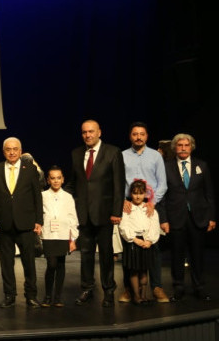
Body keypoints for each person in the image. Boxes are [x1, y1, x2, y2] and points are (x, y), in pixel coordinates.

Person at [68, 120, 125, 307]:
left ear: (99, 132)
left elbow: (118, 185)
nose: (88, 135)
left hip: (105, 214)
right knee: (86, 254)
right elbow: (74, 183)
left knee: (106, 254)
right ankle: (87, 288)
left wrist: (116, 212)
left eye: (91, 131)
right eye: (84, 132)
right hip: (83, 213)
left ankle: (108, 291)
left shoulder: (113, 152)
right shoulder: (76, 153)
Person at [159, 133, 216, 302]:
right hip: (175, 217)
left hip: (198, 217)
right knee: (177, 255)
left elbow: (209, 194)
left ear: (191, 147)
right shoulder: (166, 167)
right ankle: (178, 287)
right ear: (174, 148)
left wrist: (212, 217)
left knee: (197, 255)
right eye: (180, 145)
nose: (183, 148)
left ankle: (199, 287)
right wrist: (163, 219)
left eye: (186, 145)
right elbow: (162, 196)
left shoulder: (202, 165)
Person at [0, 137, 44, 308]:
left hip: (26, 223)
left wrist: (39, 220)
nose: (12, 152)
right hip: (4, 223)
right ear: (3, 151)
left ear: (20, 151)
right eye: (8, 149)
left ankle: (31, 295)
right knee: (6, 262)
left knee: (29, 261)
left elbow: (37, 196)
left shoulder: (30, 169)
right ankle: (9, 295)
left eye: (15, 149)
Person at [118, 122, 169, 303]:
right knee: (129, 249)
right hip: (128, 204)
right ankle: (128, 290)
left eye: (142, 134)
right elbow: (117, 181)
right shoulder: (122, 156)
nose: (138, 137)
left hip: (151, 204)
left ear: (147, 136)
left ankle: (156, 287)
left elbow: (162, 183)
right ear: (130, 136)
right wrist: (122, 200)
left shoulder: (155, 156)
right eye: (135, 134)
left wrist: (152, 203)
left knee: (153, 247)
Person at [40, 165, 78, 308]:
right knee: (51, 264)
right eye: (53, 178)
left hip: (63, 234)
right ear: (48, 180)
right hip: (48, 234)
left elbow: (73, 217)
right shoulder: (43, 196)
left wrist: (73, 239)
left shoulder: (68, 197)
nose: (56, 181)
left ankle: (57, 297)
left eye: (58, 178)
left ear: (63, 179)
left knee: (61, 264)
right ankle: (47, 296)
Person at [118, 179, 160, 305]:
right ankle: (136, 296)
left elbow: (154, 225)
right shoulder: (127, 209)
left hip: (146, 241)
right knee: (134, 270)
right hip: (133, 242)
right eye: (135, 193)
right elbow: (123, 226)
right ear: (131, 193)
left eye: (140, 193)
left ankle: (143, 295)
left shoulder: (149, 209)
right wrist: (134, 239)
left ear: (145, 194)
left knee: (144, 270)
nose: (137, 196)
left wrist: (149, 241)